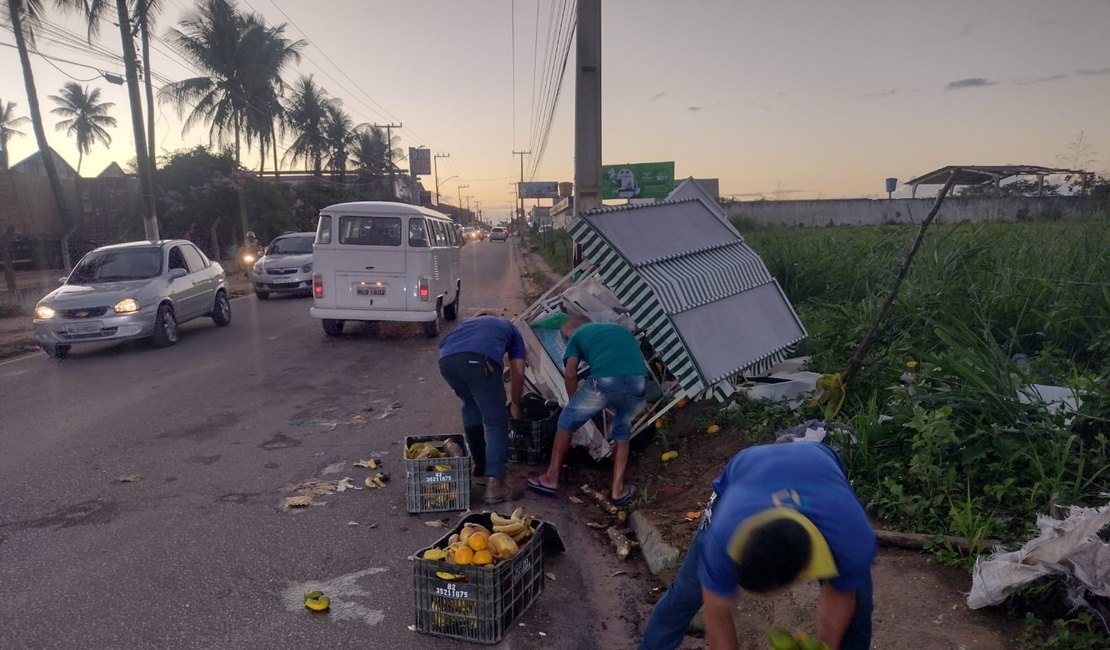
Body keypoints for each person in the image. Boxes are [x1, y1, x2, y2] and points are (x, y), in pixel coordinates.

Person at [638, 442, 877, 650]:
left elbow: (840, 597)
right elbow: (716, 612)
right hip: (748, 467)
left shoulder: (852, 538)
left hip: (818, 464)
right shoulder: (722, 536)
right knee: (688, 591)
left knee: (858, 605)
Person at [527, 315, 647, 505]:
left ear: (572, 329)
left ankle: (551, 479)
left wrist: (573, 403)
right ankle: (618, 490)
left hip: (606, 380)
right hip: (638, 382)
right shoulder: (619, 330)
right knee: (621, 433)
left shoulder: (578, 335)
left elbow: (570, 373)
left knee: (566, 421)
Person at [438, 312, 526, 504]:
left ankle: (480, 464)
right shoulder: (510, 328)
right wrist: (516, 404)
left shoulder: (468, 324)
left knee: (471, 405)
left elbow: (445, 345)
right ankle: (496, 484)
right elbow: (518, 371)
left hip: (446, 362)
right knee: (496, 422)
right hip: (477, 360)